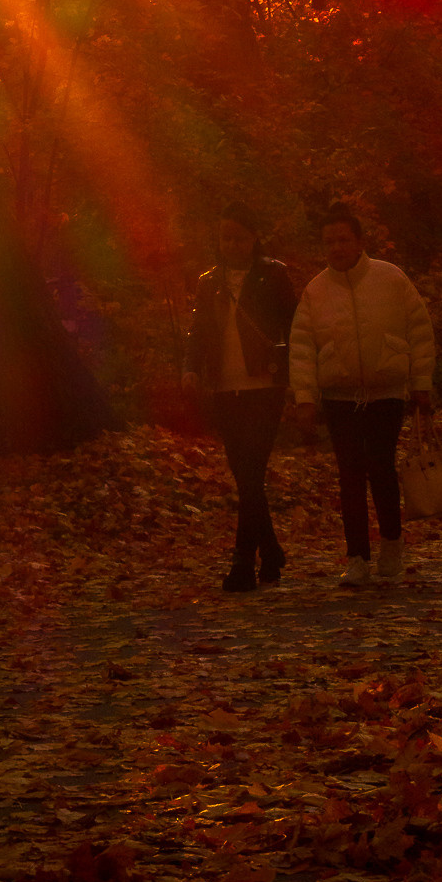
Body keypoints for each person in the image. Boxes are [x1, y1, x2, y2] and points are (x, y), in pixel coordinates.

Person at [290, 203, 435, 588]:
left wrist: (421, 382)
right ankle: (356, 556)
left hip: (387, 391)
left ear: (358, 241)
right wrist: (305, 396)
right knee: (349, 476)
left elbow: (419, 330)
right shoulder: (316, 291)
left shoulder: (391, 279)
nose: (336, 247)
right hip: (340, 396)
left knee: (381, 468)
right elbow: (302, 346)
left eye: (343, 239)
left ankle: (391, 542)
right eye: (329, 241)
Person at [187, 205, 296, 594]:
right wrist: (191, 367)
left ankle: (242, 562)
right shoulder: (209, 281)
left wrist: (295, 373)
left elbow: (294, 324)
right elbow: (198, 329)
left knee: (251, 472)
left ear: (253, 238)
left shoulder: (273, 274)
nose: (231, 244)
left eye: (238, 236)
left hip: (264, 386)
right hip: (224, 387)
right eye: (224, 237)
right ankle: (270, 549)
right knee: (246, 476)